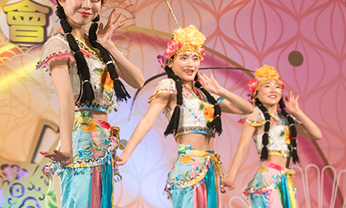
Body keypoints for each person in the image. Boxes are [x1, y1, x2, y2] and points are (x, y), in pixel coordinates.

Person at [37, 0, 144, 208]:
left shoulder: (97, 48)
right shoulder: (58, 43)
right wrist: (67, 146)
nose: (88, 4)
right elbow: (65, 99)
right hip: (80, 138)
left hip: (102, 140)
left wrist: (109, 45)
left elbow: (138, 81)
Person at [116, 25, 254, 207]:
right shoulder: (169, 86)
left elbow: (247, 109)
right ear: (170, 63)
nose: (190, 64)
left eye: (195, 58)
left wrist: (220, 90)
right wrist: (127, 153)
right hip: (189, 166)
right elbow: (147, 120)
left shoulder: (205, 94)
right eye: (184, 58)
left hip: (209, 166)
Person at [223, 65, 322, 207]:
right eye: (267, 86)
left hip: (284, 178)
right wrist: (231, 177)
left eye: (277, 86)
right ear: (256, 93)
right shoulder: (256, 114)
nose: (273, 90)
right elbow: (242, 147)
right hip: (267, 179)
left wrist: (297, 112)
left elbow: (316, 134)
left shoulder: (285, 118)